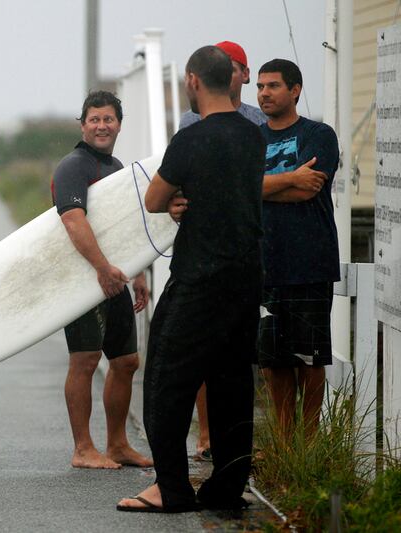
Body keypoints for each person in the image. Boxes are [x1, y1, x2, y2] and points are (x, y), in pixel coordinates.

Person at [118, 45, 264, 512]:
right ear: (234, 80)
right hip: (245, 276)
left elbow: (155, 199)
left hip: (199, 275)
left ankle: (170, 489)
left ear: (193, 82)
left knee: (166, 378)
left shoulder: (191, 138)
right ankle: (226, 489)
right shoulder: (254, 136)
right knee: (232, 383)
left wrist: (179, 198)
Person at [51, 90, 152, 470]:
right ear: (83, 125)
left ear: (119, 125)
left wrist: (138, 271)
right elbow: (72, 220)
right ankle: (83, 448)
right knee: (86, 360)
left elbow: (129, 226)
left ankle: (118, 444)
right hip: (82, 278)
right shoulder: (74, 166)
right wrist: (101, 268)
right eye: (94, 119)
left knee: (126, 362)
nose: (101, 126)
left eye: (108, 119)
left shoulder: (116, 167)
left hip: (115, 277)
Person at [178, 40, 266, 463]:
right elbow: (178, 187)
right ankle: (208, 436)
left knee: (232, 360)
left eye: (236, 67)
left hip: (236, 252)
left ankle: (228, 457)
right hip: (217, 253)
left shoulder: (255, 124)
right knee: (207, 353)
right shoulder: (190, 123)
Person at [256, 58, 340, 440]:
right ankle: (285, 443)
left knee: (310, 357)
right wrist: (289, 180)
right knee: (273, 361)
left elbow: (310, 188)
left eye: (273, 85)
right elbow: (244, 189)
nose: (264, 93)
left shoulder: (319, 134)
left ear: (295, 90)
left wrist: (262, 188)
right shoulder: (252, 138)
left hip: (309, 262)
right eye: (259, 86)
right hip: (263, 264)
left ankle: (309, 442)